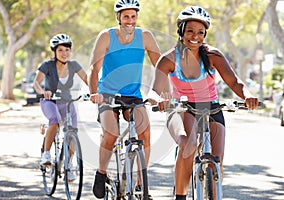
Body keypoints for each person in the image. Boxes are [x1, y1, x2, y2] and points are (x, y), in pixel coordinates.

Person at [151, 6, 259, 200]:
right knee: (188, 145)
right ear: (181, 31)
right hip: (182, 109)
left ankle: (214, 193)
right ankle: (180, 196)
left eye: (200, 32)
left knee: (216, 161)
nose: (195, 36)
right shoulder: (168, 59)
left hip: (212, 108)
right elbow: (154, 90)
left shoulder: (212, 55)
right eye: (190, 31)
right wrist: (158, 99)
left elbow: (234, 82)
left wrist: (247, 95)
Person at [89, 0, 161, 198]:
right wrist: (94, 93)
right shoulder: (106, 36)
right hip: (107, 94)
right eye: (126, 16)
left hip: (133, 95)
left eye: (133, 16)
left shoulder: (145, 36)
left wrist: (161, 93)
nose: (130, 21)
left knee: (144, 133)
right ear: (118, 17)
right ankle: (101, 173)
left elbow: (161, 66)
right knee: (111, 134)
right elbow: (94, 68)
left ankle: (140, 184)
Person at [33, 33, 88, 180]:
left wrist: (93, 92)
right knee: (55, 121)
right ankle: (46, 153)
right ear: (55, 52)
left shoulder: (74, 65)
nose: (64, 53)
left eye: (67, 50)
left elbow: (88, 80)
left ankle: (69, 165)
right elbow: (36, 83)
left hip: (67, 102)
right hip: (50, 102)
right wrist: (43, 92)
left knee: (73, 131)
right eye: (60, 50)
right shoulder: (47, 66)